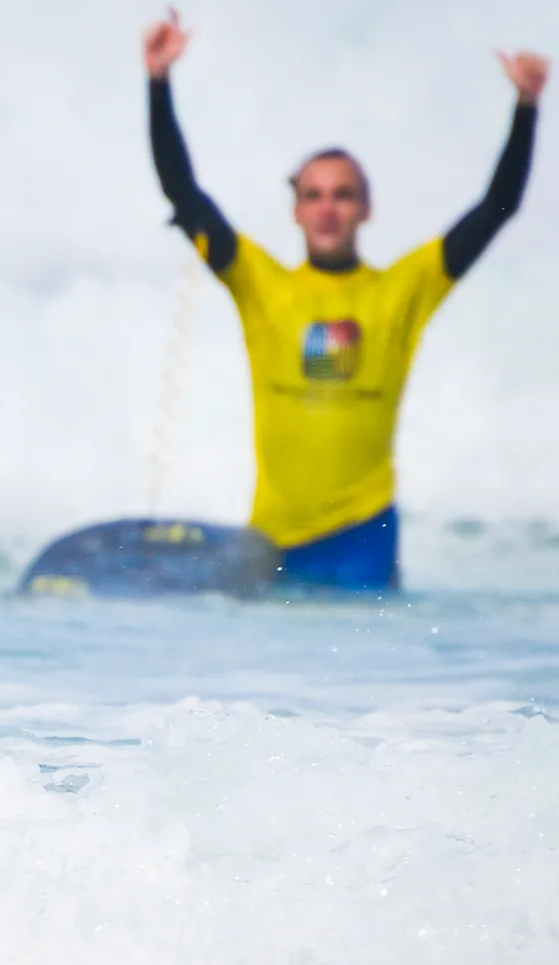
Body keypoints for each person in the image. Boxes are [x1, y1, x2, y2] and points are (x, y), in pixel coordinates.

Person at [144, 8, 545, 590]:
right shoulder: (260, 282)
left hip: (363, 538)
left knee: (362, 680)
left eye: (343, 195)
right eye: (314, 196)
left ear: (366, 208)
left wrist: (527, 108)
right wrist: (158, 82)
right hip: (270, 543)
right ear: (297, 210)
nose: (328, 208)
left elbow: (496, 209)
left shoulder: (405, 288)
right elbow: (182, 190)